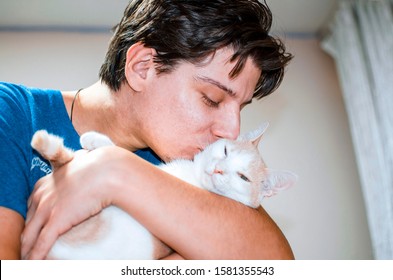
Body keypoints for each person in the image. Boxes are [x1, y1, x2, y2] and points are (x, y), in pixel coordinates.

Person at [0, 0, 294, 259]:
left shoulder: (200, 164)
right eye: (212, 99)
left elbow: (275, 263)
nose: (231, 131)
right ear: (142, 67)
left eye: (240, 108)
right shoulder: (12, 111)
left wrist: (114, 169)